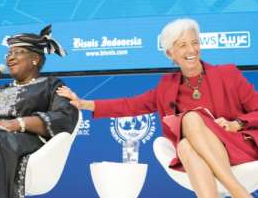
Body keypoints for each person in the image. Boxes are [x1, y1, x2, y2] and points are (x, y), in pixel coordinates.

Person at [57, 18, 258, 198]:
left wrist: (237, 124)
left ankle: (238, 192)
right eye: (182, 45)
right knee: (185, 145)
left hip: (236, 145)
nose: (191, 50)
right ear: (170, 53)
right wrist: (83, 104)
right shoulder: (167, 87)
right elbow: (130, 105)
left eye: (195, 43)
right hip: (196, 151)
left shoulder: (228, 74)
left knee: (190, 119)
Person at [0, 25, 78, 198]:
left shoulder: (51, 85)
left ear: (35, 59)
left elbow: (64, 117)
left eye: (18, 52)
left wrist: (17, 124)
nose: (10, 59)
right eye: (9, 54)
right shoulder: (0, 90)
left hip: (28, 142)